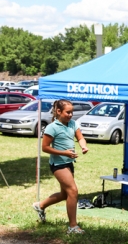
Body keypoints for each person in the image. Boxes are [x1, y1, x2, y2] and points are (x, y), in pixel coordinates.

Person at [32, 99, 89, 235]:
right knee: (73, 191)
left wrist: (83, 146)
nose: (70, 115)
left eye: (72, 112)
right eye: (68, 112)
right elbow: (45, 148)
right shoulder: (52, 127)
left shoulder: (73, 124)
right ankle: (73, 226)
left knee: (65, 194)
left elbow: (80, 137)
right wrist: (65, 153)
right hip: (58, 164)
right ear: (58, 111)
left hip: (69, 163)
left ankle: (40, 206)